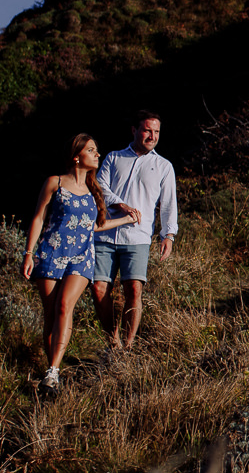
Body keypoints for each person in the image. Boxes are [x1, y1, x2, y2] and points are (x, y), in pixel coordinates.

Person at [22, 134, 141, 394]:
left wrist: (125, 220)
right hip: (51, 253)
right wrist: (29, 253)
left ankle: (53, 374)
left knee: (65, 306)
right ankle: (51, 367)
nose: (97, 154)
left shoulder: (94, 189)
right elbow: (39, 218)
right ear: (77, 156)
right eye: (91, 150)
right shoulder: (55, 183)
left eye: (97, 150)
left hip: (81, 257)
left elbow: (97, 226)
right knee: (51, 313)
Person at [94, 110, 178, 350]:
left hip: (138, 237)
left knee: (133, 288)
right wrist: (120, 205)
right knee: (99, 288)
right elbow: (100, 187)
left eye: (156, 132)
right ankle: (113, 341)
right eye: (147, 130)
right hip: (105, 233)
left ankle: (128, 347)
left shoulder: (163, 166)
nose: (152, 136)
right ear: (134, 130)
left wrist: (168, 235)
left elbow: (169, 203)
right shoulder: (113, 158)